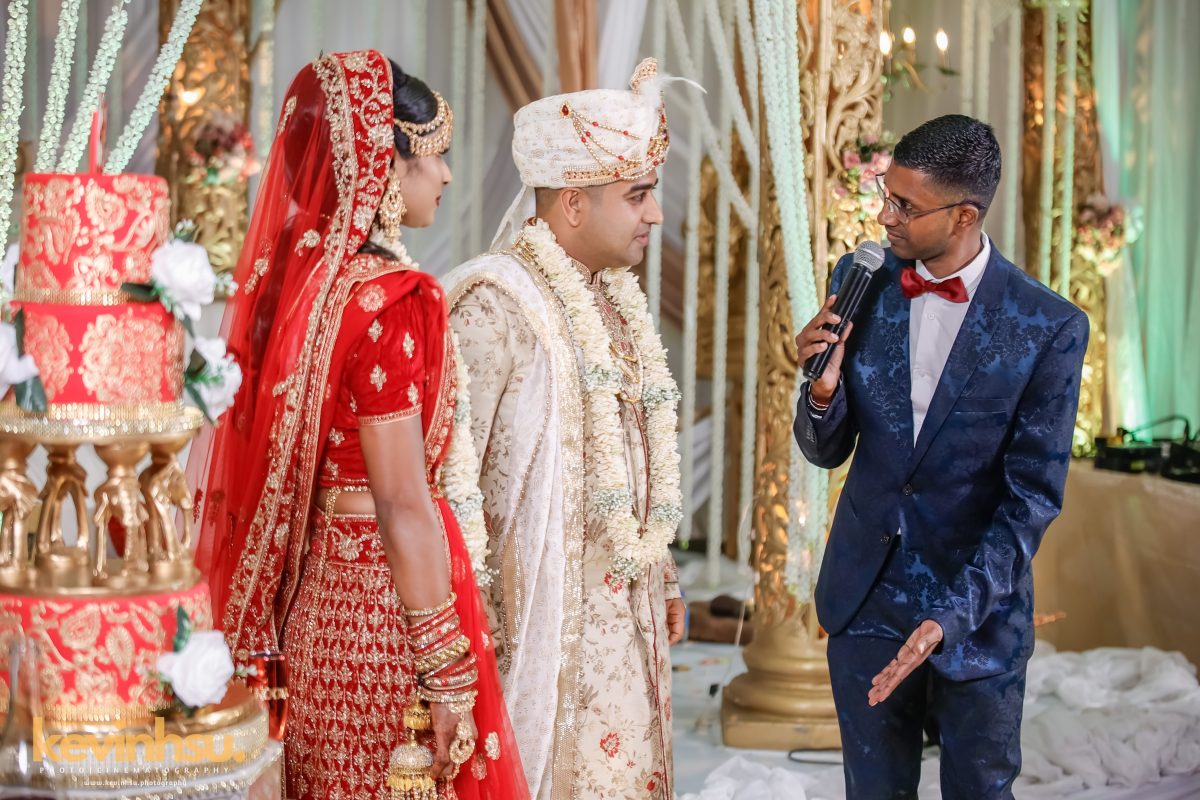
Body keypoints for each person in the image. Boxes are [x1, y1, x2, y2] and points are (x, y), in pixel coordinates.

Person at [190, 50, 527, 800]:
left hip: (313, 611)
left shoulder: (293, 288)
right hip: (386, 616)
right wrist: (446, 667)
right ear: (385, 164)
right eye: (433, 156)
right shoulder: (394, 301)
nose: (445, 176)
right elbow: (402, 502)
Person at [794, 114, 1088, 799]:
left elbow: (1031, 501)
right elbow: (826, 450)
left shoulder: (1048, 328)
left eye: (905, 205)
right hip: (865, 597)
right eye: (886, 195)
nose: (884, 216)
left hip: (978, 611)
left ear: (963, 216)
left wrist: (948, 618)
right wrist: (820, 394)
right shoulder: (860, 280)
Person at [442, 57, 687, 799]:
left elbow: (636, 451)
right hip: (539, 635)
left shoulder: (615, 300)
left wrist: (663, 571)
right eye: (638, 195)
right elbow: (447, 483)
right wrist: (461, 636)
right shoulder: (494, 305)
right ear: (573, 204)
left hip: (629, 616)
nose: (655, 215)